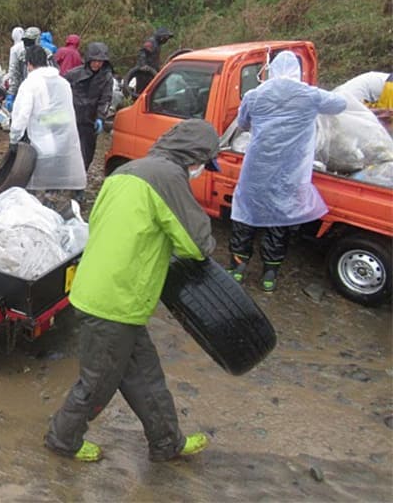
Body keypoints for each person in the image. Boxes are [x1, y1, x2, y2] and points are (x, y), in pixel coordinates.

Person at [45, 119, 222, 463]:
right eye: (203, 163)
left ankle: (166, 442)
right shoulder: (168, 178)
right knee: (97, 382)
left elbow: (98, 222)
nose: (202, 170)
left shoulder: (127, 171)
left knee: (145, 376)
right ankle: (62, 439)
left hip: (107, 292)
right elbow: (197, 245)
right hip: (114, 300)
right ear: (192, 157)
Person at [228, 51, 346, 292]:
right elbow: (340, 105)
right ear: (297, 70)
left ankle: (238, 268)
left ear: (272, 70)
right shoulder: (310, 95)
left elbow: (243, 123)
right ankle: (269, 275)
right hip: (288, 172)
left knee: (245, 215)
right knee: (278, 218)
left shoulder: (255, 95)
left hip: (256, 169)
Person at [9, 45, 86, 210]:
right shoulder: (63, 83)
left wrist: (14, 139)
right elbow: (65, 114)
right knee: (56, 191)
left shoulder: (30, 84)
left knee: (37, 194)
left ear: (29, 64)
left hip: (41, 145)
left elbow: (21, 116)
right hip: (64, 144)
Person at [65, 42, 114, 172]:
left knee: (86, 154)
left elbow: (106, 99)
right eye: (94, 60)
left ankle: (79, 184)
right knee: (67, 151)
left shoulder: (107, 78)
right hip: (72, 118)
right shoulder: (73, 74)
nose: (97, 64)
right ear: (88, 59)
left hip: (90, 121)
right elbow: (61, 92)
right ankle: (62, 180)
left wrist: (100, 118)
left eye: (100, 61)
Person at [5, 26, 56, 110]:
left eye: (30, 41)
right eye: (25, 41)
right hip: (26, 91)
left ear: (37, 40)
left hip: (45, 94)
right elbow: (15, 74)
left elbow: (53, 76)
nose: (27, 45)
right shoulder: (21, 55)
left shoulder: (47, 55)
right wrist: (11, 93)